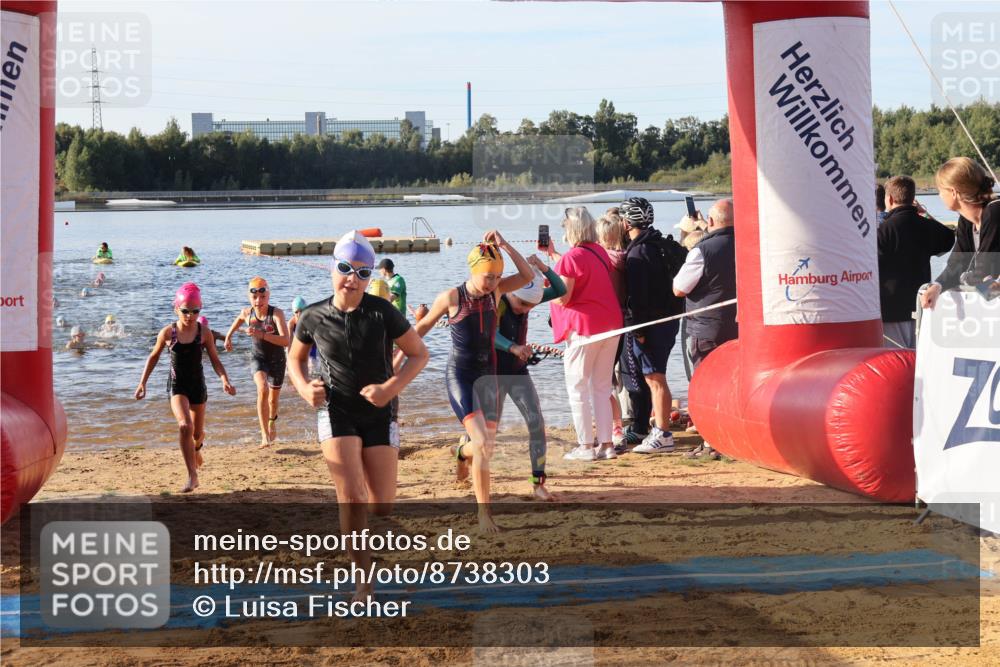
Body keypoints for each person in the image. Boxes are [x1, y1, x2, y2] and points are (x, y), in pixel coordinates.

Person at [287, 230, 428, 601]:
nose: (353, 278)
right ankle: (363, 581)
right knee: (351, 498)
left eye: (363, 272)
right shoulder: (313, 316)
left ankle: (363, 488)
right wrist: (303, 388)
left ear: (370, 277)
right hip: (336, 410)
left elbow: (419, 354)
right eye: (346, 269)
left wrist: (390, 389)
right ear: (333, 268)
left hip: (379, 412)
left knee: (382, 505)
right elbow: (294, 359)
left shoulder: (383, 312)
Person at [414, 231, 533, 532]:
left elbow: (528, 275)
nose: (493, 282)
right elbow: (423, 327)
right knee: (482, 444)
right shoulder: (452, 297)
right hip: (461, 375)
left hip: (489, 375)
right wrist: (397, 355)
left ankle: (460, 452)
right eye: (488, 276)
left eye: (497, 276)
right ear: (473, 269)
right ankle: (483, 514)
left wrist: (505, 245)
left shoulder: (497, 293)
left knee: (484, 446)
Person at [134, 282, 236, 492]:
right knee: (184, 426)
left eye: (195, 311)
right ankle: (192, 476)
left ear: (200, 310)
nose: (190, 316)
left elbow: (215, 360)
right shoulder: (167, 333)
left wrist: (224, 379)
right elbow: (153, 357)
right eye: (185, 311)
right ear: (176, 309)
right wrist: (142, 382)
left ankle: (196, 448)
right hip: (177, 385)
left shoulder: (204, 333)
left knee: (197, 434)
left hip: (198, 385)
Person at [544, 207, 623, 462]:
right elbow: (579, 268)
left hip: (584, 329)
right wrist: (553, 256)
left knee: (577, 388)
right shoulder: (598, 251)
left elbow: (563, 297)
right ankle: (607, 445)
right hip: (610, 324)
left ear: (571, 230)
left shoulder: (571, 257)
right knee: (601, 387)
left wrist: (541, 291)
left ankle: (586, 446)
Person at [493, 254, 566, 501]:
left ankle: (538, 482)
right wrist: (512, 347)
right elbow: (489, 333)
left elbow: (560, 289)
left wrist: (544, 268)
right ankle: (463, 452)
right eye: (523, 305)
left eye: (531, 307)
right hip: (493, 372)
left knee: (536, 422)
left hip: (517, 371)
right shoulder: (498, 301)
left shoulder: (530, 296)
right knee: (488, 430)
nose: (525, 310)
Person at [673, 199, 738, 460]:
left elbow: (679, 288)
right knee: (731, 384)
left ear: (710, 222)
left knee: (705, 387)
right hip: (738, 327)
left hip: (706, 328)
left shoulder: (702, 250)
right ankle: (729, 439)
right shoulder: (748, 243)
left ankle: (711, 441)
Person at [621, 196, 687, 454]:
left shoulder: (638, 252)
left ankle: (662, 433)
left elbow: (637, 298)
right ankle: (660, 429)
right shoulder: (661, 244)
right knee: (656, 377)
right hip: (669, 320)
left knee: (655, 378)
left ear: (626, 223)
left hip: (650, 325)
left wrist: (638, 331)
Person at [877, 176, 955, 348]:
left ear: (890, 199)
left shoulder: (883, 230)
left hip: (891, 311)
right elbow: (949, 237)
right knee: (919, 359)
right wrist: (924, 213)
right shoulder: (926, 226)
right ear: (913, 198)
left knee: (896, 360)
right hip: (922, 306)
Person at [921, 157, 1000, 309]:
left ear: (953, 192)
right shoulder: (966, 220)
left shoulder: (994, 212)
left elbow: (985, 269)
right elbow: (957, 263)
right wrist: (937, 287)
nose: (939, 195)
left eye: (940, 190)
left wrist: (966, 278)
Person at [224, 277, 290, 448]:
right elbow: (238, 319)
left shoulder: (276, 314)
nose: (258, 301)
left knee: (273, 401)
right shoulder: (248, 313)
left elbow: (286, 340)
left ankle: (272, 420)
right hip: (258, 358)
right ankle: (264, 435)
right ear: (249, 297)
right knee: (262, 388)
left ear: (268, 296)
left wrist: (261, 335)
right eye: (254, 297)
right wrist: (228, 336)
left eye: (262, 297)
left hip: (277, 360)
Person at [596, 208, 631, 452]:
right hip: (623, 320)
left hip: (604, 323)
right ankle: (617, 426)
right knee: (609, 378)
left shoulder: (603, 260)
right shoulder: (626, 257)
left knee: (603, 381)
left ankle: (613, 428)